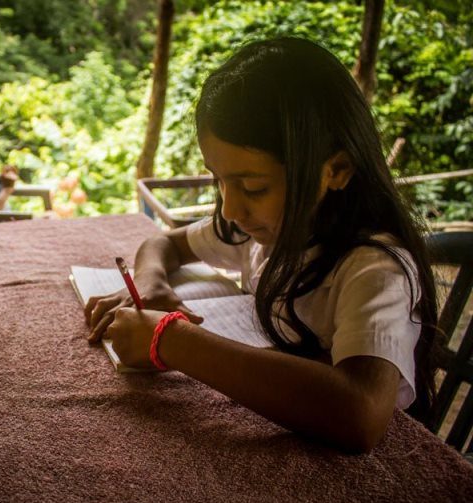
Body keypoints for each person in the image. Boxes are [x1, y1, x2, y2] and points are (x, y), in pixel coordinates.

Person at [84, 37, 440, 453]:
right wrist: (150, 284)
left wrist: (171, 339)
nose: (230, 208)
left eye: (253, 187)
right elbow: (165, 244)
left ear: (337, 169)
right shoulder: (262, 230)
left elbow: (360, 412)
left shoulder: (374, 268)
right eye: (219, 180)